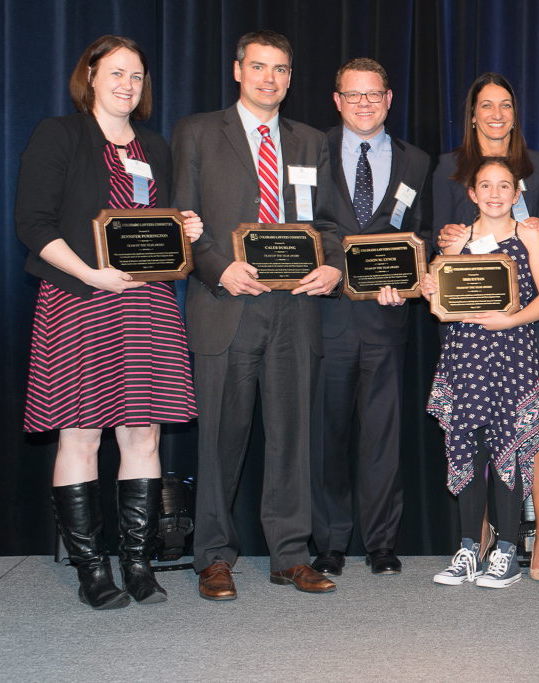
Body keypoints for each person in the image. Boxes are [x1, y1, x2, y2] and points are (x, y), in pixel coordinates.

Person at [14, 35, 203, 609]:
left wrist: (185, 231)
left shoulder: (154, 145)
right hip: (80, 300)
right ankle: (92, 569)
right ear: (90, 77)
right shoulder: (61, 135)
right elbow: (33, 223)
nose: (127, 84)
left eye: (138, 76)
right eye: (117, 73)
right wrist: (91, 276)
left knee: (144, 432)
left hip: (146, 304)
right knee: (82, 432)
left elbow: (157, 225)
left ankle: (139, 563)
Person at [171, 30, 344, 600]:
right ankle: (214, 557)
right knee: (222, 434)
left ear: (291, 79)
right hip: (226, 305)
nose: (271, 78)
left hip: (296, 311)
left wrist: (334, 267)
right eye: (260, 67)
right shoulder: (197, 131)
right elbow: (181, 220)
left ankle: (290, 555)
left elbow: (329, 224)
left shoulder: (311, 140)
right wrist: (218, 268)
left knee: (292, 437)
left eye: (281, 69)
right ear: (239, 70)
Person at [433, 72, 539, 581]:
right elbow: (440, 252)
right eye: (486, 105)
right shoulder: (447, 168)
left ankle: (535, 537)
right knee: (470, 435)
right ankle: (476, 543)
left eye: (505, 104)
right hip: (466, 334)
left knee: (528, 428)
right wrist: (439, 261)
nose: (496, 114)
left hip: (521, 331)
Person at [309, 57, 432, 578]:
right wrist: (341, 264)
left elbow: (421, 234)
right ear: (337, 101)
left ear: (388, 100)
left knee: (383, 437)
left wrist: (407, 275)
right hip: (326, 317)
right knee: (326, 435)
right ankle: (331, 541)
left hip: (387, 320)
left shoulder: (416, 162)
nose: (364, 103)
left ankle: (381, 542)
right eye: (353, 95)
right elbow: (305, 223)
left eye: (373, 94)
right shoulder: (309, 151)